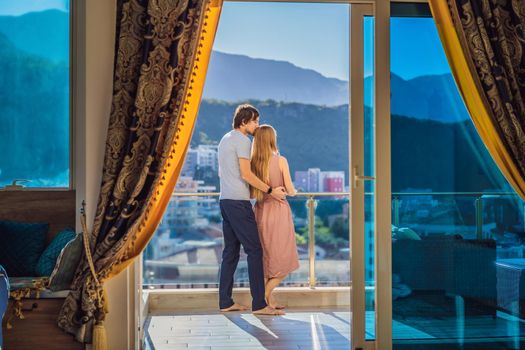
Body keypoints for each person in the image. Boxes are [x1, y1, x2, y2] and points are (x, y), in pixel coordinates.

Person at [217, 104, 286, 315]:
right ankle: (260, 305)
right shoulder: (243, 141)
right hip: (238, 203)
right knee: (255, 251)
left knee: (230, 253)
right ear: (244, 121)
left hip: (225, 201)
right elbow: (246, 174)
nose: (257, 124)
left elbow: (225, 173)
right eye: (255, 121)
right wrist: (270, 190)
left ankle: (225, 302)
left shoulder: (225, 139)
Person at [250, 125, 300, 310]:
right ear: (272, 139)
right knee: (285, 259)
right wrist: (292, 192)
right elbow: (290, 189)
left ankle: (267, 301)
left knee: (266, 257)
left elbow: (253, 192)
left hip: (261, 211)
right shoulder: (281, 161)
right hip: (278, 212)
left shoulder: (253, 163)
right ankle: (262, 297)